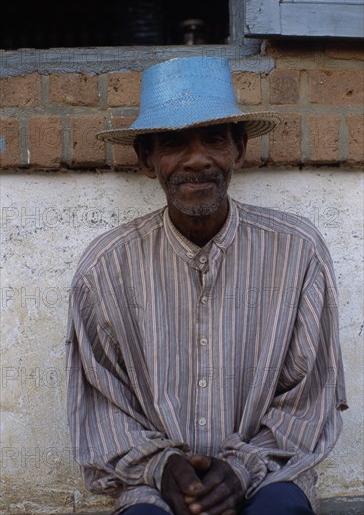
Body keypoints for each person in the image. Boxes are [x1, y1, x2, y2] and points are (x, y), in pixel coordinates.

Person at [66, 56, 348, 515]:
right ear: (147, 158)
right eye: (175, 143)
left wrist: (242, 468)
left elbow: (310, 397)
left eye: (214, 139)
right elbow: (103, 405)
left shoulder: (297, 252)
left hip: (270, 471)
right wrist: (160, 467)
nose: (197, 159)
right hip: (152, 485)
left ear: (238, 149)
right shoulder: (106, 268)